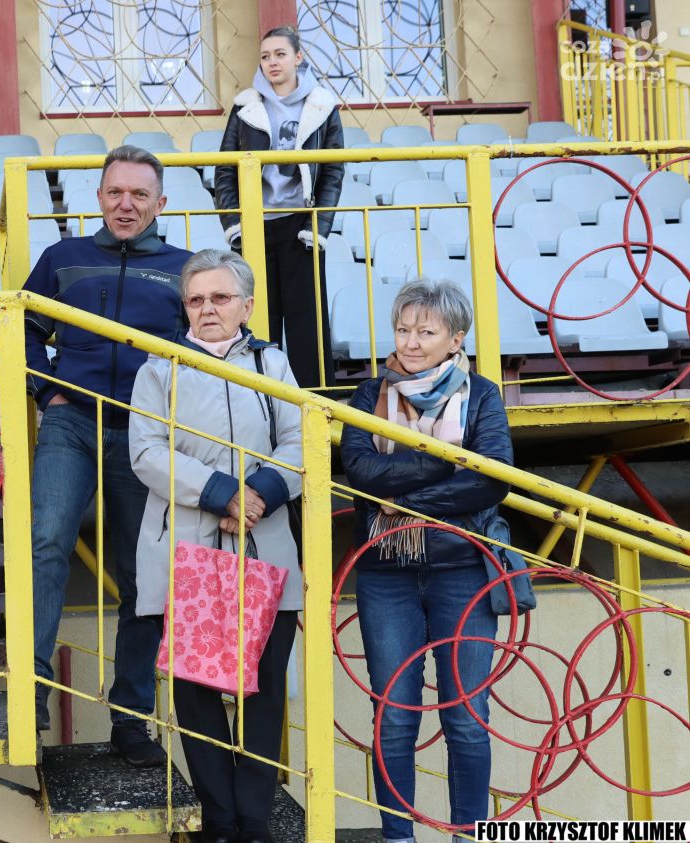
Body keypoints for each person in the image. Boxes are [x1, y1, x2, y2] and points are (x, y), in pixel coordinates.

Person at [129, 249, 302, 843]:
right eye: (196, 299)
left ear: (246, 306)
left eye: (220, 297)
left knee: (265, 687)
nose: (207, 308)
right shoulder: (160, 367)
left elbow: (300, 439)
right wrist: (222, 493)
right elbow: (146, 451)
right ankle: (220, 820)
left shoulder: (273, 364)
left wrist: (257, 495)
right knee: (196, 690)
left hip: (264, 545)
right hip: (185, 550)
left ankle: (253, 820)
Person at [25, 145, 190, 767]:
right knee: (47, 540)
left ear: (160, 203)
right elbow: (22, 330)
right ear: (98, 197)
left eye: (139, 195)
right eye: (115, 193)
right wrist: (46, 391)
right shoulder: (61, 258)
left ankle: (132, 719)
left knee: (142, 577)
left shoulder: (183, 269)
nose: (126, 205)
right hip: (71, 423)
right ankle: (33, 693)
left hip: (144, 434)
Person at [339, 278, 511, 842]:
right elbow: (360, 472)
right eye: (402, 330)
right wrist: (443, 462)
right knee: (394, 716)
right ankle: (398, 837)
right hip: (386, 573)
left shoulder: (482, 394)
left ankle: (469, 834)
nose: (410, 343)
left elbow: (491, 479)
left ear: (456, 338)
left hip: (463, 569)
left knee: (467, 718)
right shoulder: (370, 394)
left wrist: (406, 500)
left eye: (426, 332)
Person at [215, 25, 344, 390]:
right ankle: (261, 400)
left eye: (280, 54)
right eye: (265, 56)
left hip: (301, 225)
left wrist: (318, 226)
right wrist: (235, 225)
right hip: (255, 224)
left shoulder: (322, 106)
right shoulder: (245, 106)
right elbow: (224, 169)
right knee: (258, 320)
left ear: (298, 57)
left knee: (308, 325)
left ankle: (316, 405)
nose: (272, 62)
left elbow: (332, 171)